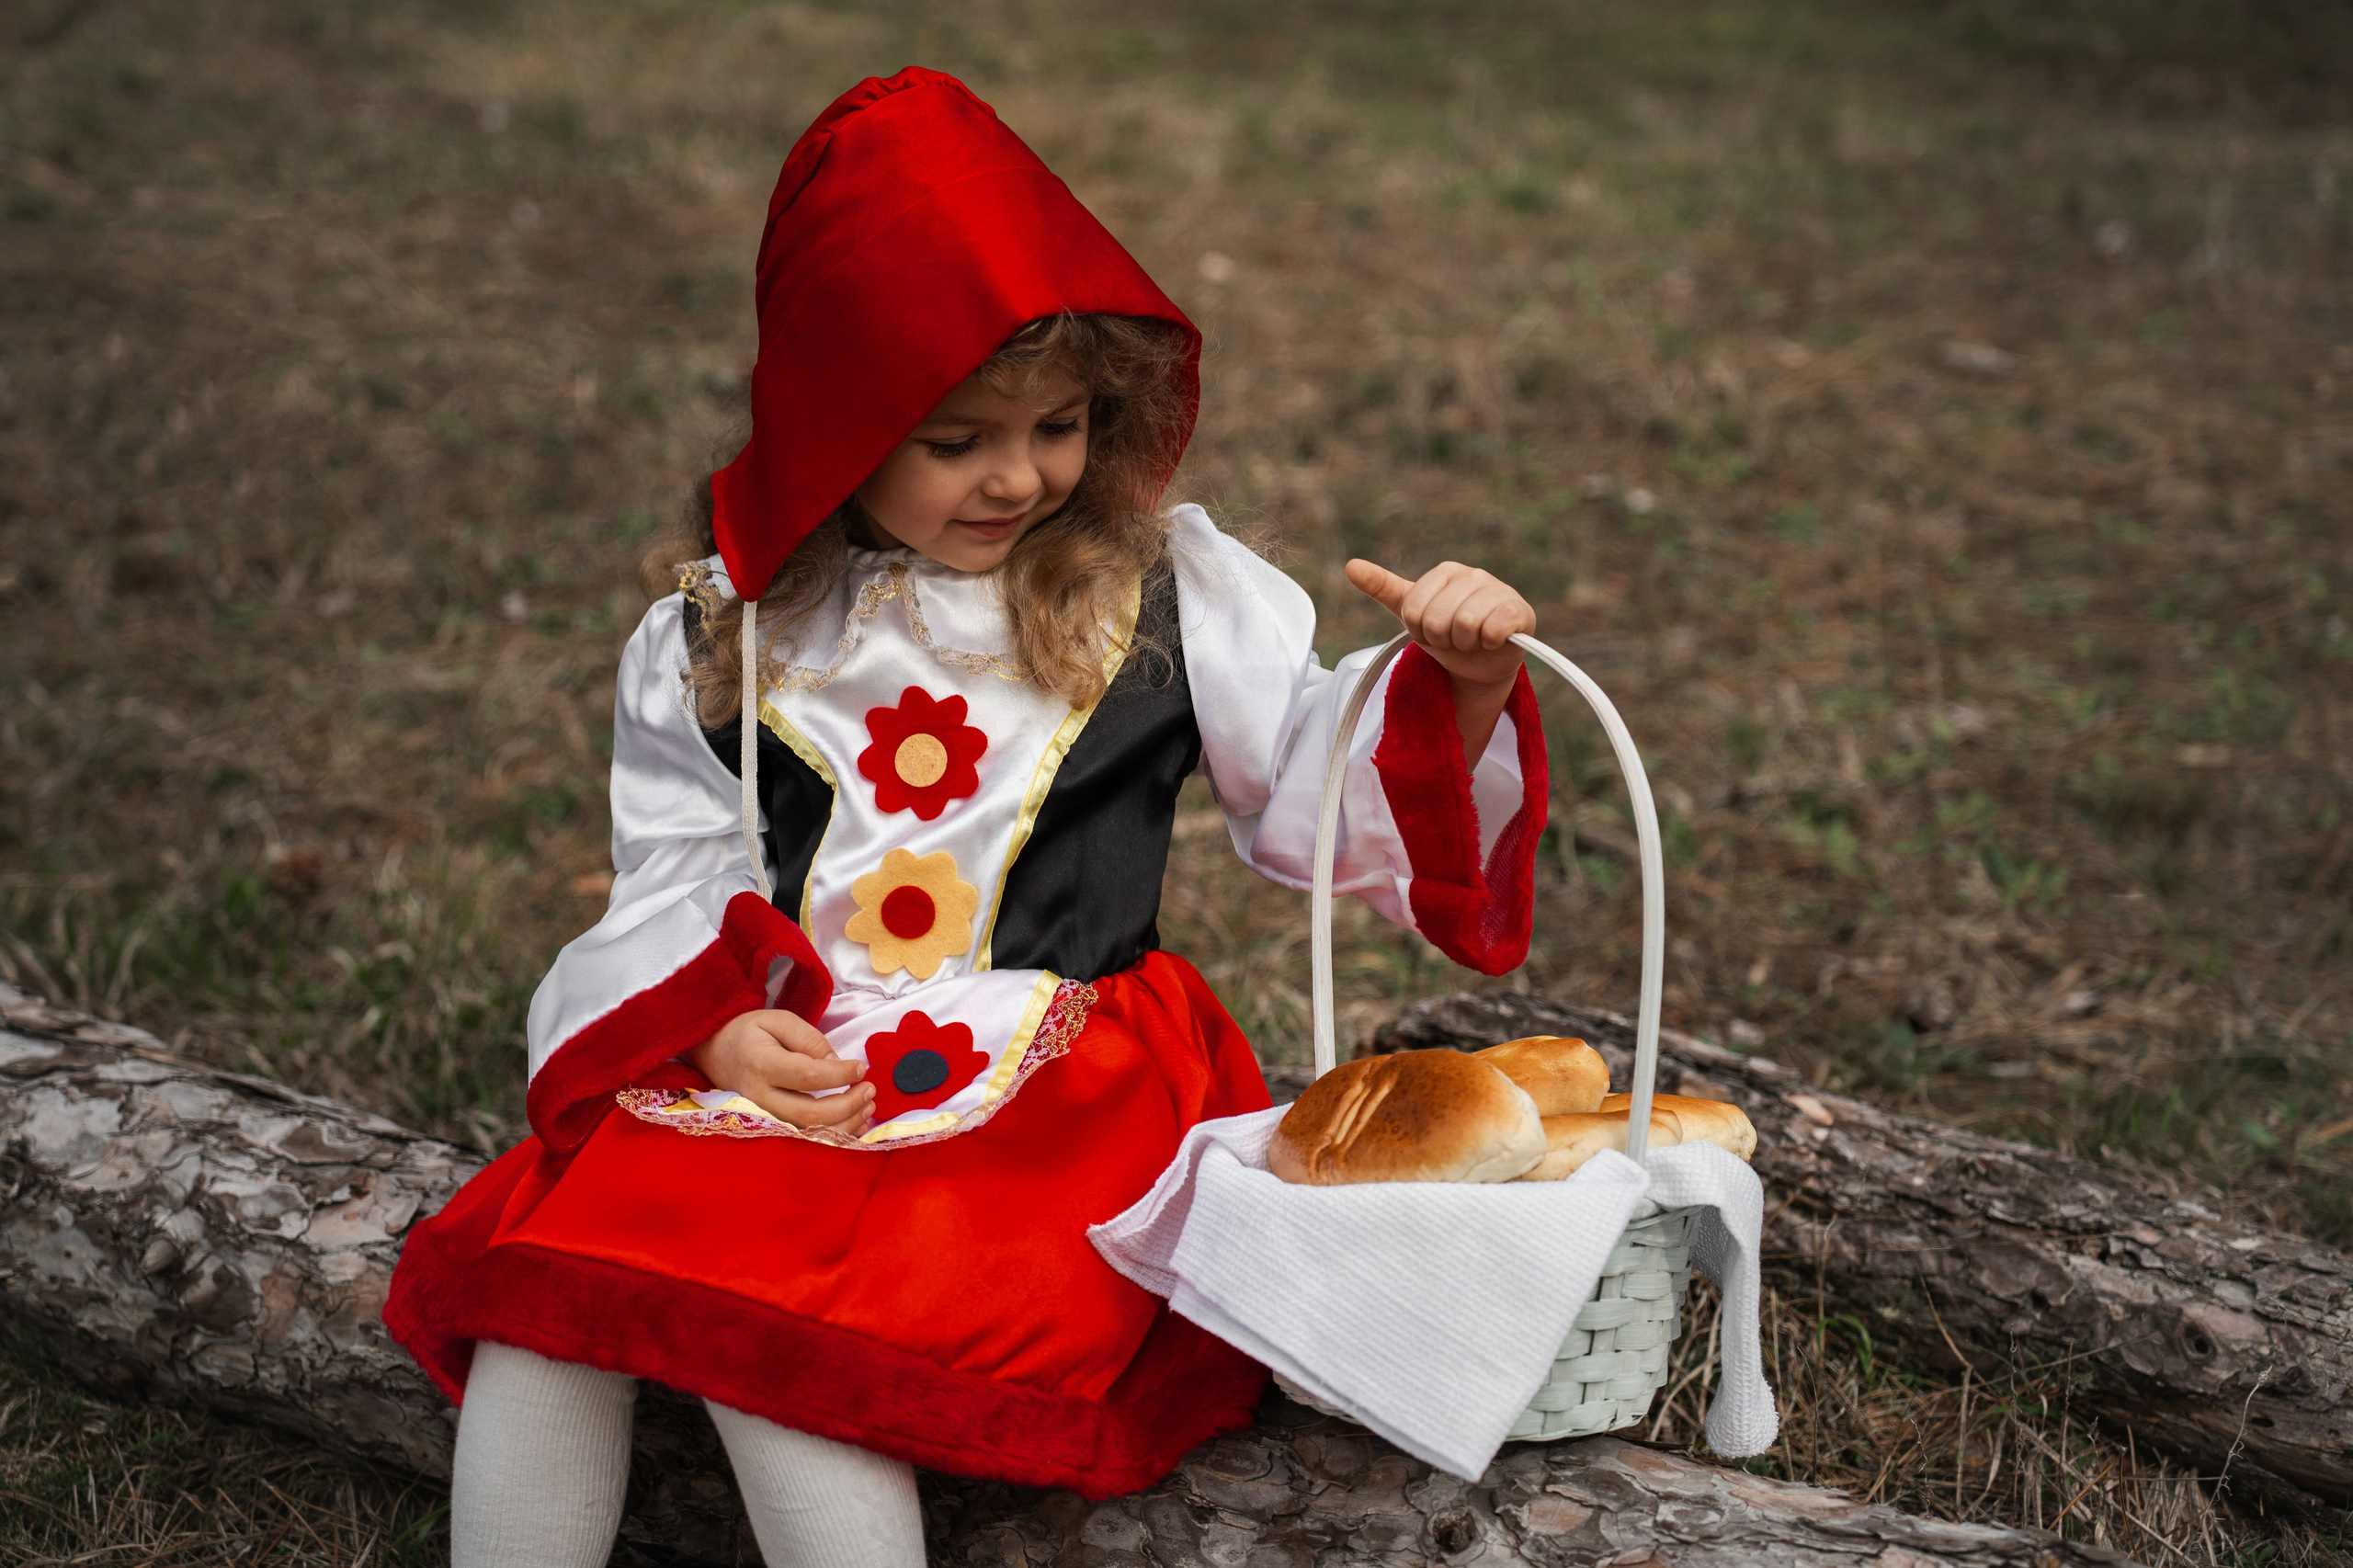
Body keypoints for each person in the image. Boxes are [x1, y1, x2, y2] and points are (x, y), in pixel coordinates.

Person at [383, 66, 1548, 1568]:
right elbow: (676, 871)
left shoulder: (1164, 601)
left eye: (1058, 423)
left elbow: (1326, 786)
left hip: (1057, 1100)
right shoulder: (728, 633)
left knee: (791, 1361)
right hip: (791, 1066)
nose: (1019, 475)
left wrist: (1446, 682)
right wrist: (715, 1026)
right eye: (955, 438)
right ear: (832, 420)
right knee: (551, 1309)